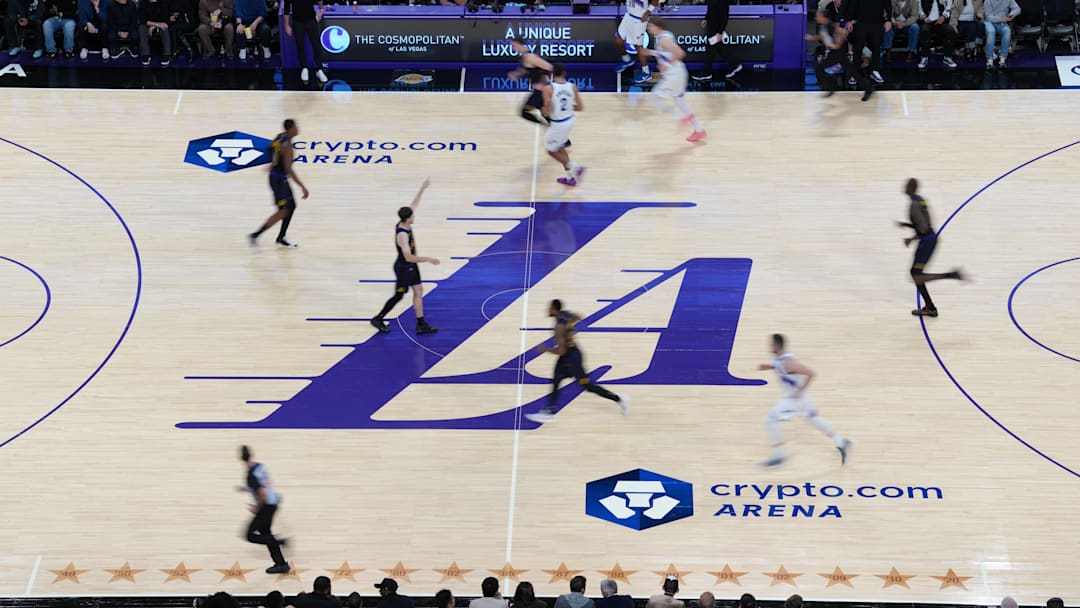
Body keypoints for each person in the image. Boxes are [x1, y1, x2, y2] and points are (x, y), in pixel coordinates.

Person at [525, 299, 629, 423]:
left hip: (571, 359)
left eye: (550, 308)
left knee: (587, 386)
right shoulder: (566, 316)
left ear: (554, 310)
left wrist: (546, 349)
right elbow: (579, 317)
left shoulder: (559, 327)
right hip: (571, 354)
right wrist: (569, 325)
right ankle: (548, 411)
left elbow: (562, 351)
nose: (548, 310)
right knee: (556, 380)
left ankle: (619, 399)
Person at [758, 334, 851, 467]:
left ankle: (779, 455)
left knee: (770, 420)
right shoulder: (779, 359)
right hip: (804, 398)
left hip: (796, 399)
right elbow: (780, 367)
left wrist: (800, 390)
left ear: (777, 346)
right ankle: (841, 442)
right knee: (814, 420)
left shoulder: (788, 362)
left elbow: (811, 373)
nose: (769, 346)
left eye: (771, 344)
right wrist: (768, 367)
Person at [369, 177, 440, 335]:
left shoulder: (404, 221)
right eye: (413, 217)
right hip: (403, 267)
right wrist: (428, 259)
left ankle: (421, 324)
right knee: (399, 295)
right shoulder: (402, 235)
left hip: (410, 267)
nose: (415, 217)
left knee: (418, 290)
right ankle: (378, 318)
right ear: (408, 219)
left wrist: (423, 188)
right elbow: (408, 257)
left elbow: (414, 205)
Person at [896, 178, 964, 317]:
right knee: (916, 274)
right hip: (930, 238)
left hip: (927, 241)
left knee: (916, 274)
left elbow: (922, 227)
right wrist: (909, 227)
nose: (905, 187)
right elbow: (926, 223)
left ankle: (949, 277)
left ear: (912, 188)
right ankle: (930, 306)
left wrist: (912, 238)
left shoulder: (914, 205)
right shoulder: (921, 200)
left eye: (908, 186)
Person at [641, 17, 706, 142]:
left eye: (650, 26)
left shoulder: (663, 39)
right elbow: (666, 53)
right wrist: (651, 53)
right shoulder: (664, 36)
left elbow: (680, 53)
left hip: (674, 75)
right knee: (680, 101)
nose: (648, 29)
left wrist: (667, 64)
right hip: (678, 73)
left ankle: (680, 117)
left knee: (654, 97)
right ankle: (699, 130)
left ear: (657, 26)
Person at [250, 119, 308, 248]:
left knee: (291, 206)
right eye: (296, 127)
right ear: (291, 129)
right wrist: (302, 186)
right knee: (283, 211)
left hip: (277, 178)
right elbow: (289, 169)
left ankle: (281, 237)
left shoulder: (280, 136)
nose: (298, 129)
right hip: (279, 181)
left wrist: (273, 163)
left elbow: (270, 148)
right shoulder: (287, 146)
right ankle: (256, 235)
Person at [236, 445, 290, 574]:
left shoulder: (250, 475)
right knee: (265, 533)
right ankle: (281, 564)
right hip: (273, 502)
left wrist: (257, 508)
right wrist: (245, 488)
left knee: (249, 535)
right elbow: (263, 484)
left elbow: (261, 493)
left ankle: (279, 542)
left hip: (266, 506)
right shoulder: (259, 466)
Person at [806, 11, 873, 101]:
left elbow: (843, 32)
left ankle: (831, 86)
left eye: (818, 16)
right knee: (851, 70)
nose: (816, 18)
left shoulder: (830, 25)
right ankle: (868, 88)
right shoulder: (823, 26)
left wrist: (838, 44)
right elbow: (822, 36)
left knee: (819, 68)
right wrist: (812, 38)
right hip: (835, 51)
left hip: (837, 51)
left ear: (824, 17)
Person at [539, 63, 586, 187]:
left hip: (558, 124)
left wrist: (544, 111)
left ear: (552, 73)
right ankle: (570, 178)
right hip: (570, 120)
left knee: (550, 150)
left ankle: (576, 167)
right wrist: (569, 107)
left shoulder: (548, 89)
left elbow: (547, 111)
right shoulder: (573, 87)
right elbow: (580, 107)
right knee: (560, 147)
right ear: (565, 73)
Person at [843, 0, 891, 84]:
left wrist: (889, 20)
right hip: (861, 22)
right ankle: (855, 73)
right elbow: (853, 4)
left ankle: (874, 70)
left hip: (877, 22)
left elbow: (887, 3)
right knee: (858, 48)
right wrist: (849, 20)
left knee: (876, 47)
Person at [508, 37, 553, 126]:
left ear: (519, 44)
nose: (513, 48)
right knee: (547, 116)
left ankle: (547, 127)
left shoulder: (530, 57)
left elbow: (549, 67)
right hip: (539, 92)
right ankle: (554, 130)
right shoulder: (524, 57)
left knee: (524, 112)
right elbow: (526, 69)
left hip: (540, 92)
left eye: (514, 45)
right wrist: (516, 74)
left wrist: (545, 81)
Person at [692, 0, 741, 81]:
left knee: (710, 50)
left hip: (716, 29)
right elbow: (710, 9)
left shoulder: (723, 1)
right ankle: (735, 64)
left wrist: (720, 32)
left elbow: (725, 17)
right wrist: (706, 18)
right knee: (720, 49)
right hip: (711, 27)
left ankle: (707, 73)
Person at [614, 0, 658, 84]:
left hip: (639, 19)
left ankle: (646, 72)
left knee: (638, 46)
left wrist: (648, 12)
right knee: (618, 39)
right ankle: (627, 60)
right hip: (628, 15)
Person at [283, 0, 326, 83]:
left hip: (311, 20)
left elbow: (319, 0)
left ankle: (319, 69)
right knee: (300, 45)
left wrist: (321, 10)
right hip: (297, 22)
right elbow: (286, 7)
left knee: (316, 45)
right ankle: (304, 68)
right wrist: (286, 25)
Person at [916, 0, 958, 69]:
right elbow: (919, 8)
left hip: (940, 21)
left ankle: (947, 57)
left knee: (949, 30)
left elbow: (949, 7)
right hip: (927, 21)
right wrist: (924, 17)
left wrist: (943, 17)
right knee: (924, 30)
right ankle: (924, 57)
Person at [981, 0, 1018, 68]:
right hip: (989, 21)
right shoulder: (988, 1)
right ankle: (989, 59)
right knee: (991, 31)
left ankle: (1003, 58)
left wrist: (1011, 14)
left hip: (1002, 22)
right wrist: (1000, 19)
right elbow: (988, 17)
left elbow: (1017, 8)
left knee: (1007, 31)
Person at [138, 0, 172, 65]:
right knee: (141, 28)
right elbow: (143, 20)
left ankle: (167, 54)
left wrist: (154, 26)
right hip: (148, 25)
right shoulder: (142, 2)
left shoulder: (163, 2)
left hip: (159, 24)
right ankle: (145, 54)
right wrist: (154, 25)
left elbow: (164, 20)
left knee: (165, 28)